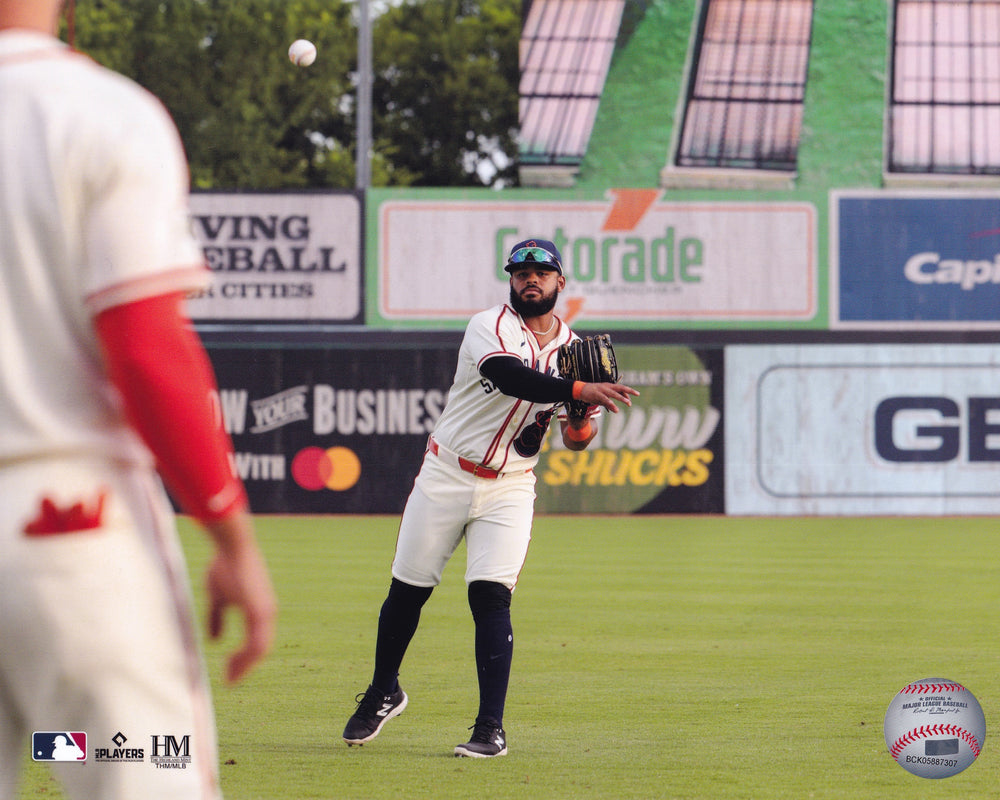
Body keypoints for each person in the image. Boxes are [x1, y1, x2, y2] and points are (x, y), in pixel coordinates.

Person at [0, 3, 277, 798]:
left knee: (60, 740)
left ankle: (51, 740)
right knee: (139, 767)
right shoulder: (102, 114)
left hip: (54, 532)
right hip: (63, 531)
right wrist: (233, 538)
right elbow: (147, 350)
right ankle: (61, 741)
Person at [342, 238, 638, 757]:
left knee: (490, 597)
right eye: (521, 271)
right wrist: (575, 391)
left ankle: (489, 729)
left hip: (511, 484)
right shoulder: (489, 325)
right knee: (408, 591)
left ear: (559, 283)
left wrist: (579, 418)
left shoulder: (574, 351)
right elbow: (507, 376)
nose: (531, 279)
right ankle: (384, 689)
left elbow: (575, 438)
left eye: (541, 273)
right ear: (510, 280)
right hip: (446, 473)